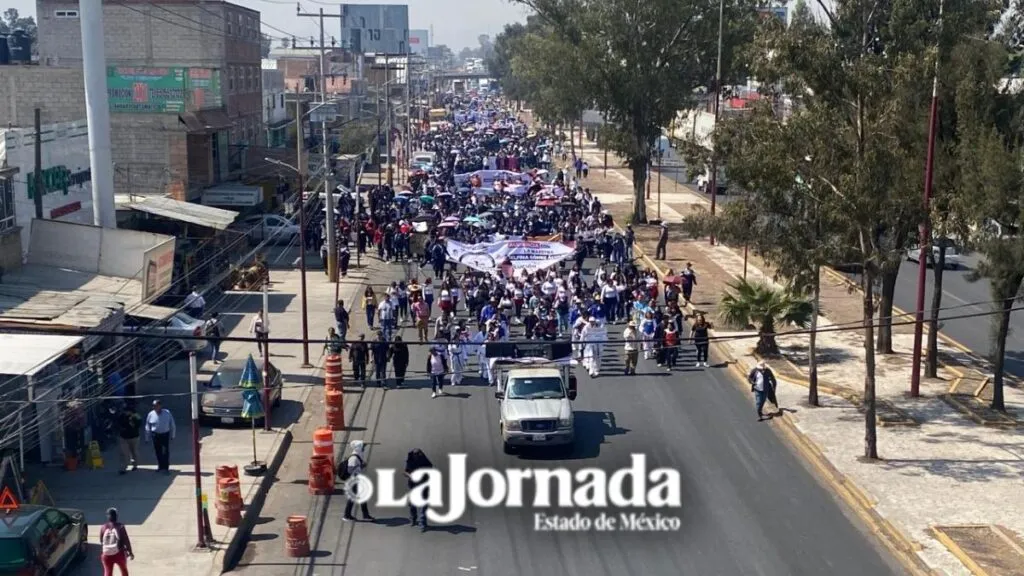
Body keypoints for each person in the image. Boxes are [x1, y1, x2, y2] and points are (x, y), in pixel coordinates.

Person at [341, 441, 374, 522]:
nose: (363, 448)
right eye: (362, 446)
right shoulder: (354, 458)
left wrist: (360, 466)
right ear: (358, 448)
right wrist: (360, 466)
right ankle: (348, 515)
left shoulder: (358, 455)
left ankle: (351, 515)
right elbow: (350, 470)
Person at [404, 448, 434, 531]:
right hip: (413, 486)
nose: (417, 456)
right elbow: (405, 471)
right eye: (415, 454)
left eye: (418, 454)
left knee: (424, 506)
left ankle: (422, 524)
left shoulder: (425, 462)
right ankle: (413, 519)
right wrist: (410, 476)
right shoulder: (410, 461)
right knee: (412, 505)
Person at [99, 507, 133, 576]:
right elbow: (126, 540)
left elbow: (101, 541)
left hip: (106, 554)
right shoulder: (120, 526)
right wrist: (130, 552)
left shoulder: (103, 527)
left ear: (107, 516)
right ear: (116, 516)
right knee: (124, 570)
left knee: (108, 572)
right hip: (119, 554)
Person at [144, 399, 175, 474]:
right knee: (158, 451)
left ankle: (166, 468)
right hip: (155, 435)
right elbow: (147, 426)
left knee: (165, 451)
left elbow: (172, 424)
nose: (155, 407)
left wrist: (173, 435)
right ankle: (160, 466)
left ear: (160, 406)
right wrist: (147, 437)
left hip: (165, 434)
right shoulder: (151, 414)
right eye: (154, 406)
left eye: (156, 406)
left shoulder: (167, 413)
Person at [117, 402, 141, 475]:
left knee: (134, 452)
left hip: (134, 437)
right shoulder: (121, 416)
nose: (126, 412)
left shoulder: (136, 416)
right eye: (125, 411)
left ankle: (135, 465)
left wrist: (132, 421)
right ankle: (123, 468)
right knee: (124, 453)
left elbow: (139, 424)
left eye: (127, 411)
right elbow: (117, 423)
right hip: (123, 437)